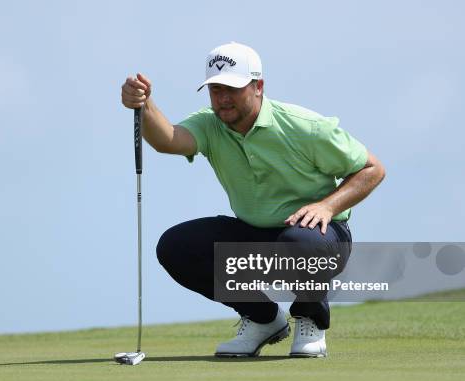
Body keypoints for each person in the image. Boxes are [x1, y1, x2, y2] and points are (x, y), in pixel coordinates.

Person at [120, 42, 385, 358]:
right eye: (215, 90)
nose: (223, 98)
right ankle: (263, 319)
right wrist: (145, 104)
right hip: (255, 234)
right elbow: (168, 140)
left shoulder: (304, 126)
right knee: (176, 246)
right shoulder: (211, 124)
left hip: (319, 238)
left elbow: (373, 169)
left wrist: (327, 206)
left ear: (258, 87)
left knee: (299, 242)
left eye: (232, 88)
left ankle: (311, 317)